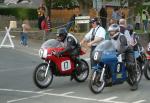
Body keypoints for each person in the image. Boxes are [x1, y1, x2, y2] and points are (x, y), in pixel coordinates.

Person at [108, 24, 137, 89]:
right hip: (118, 52)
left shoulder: (122, 36)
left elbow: (122, 47)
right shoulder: (110, 37)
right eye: (110, 31)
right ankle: (110, 79)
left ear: (116, 31)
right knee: (109, 63)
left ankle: (134, 83)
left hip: (127, 52)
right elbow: (107, 45)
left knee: (129, 65)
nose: (110, 32)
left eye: (112, 31)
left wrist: (117, 53)